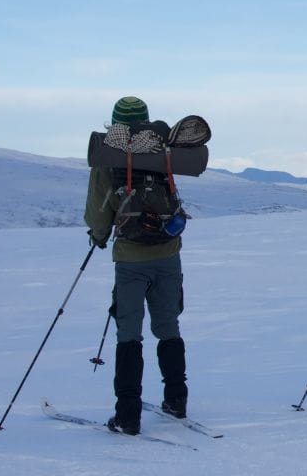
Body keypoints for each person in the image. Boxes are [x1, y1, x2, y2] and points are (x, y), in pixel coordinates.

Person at [84, 96, 188, 435]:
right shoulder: (161, 151)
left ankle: (127, 415)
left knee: (129, 333)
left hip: (130, 259)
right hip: (168, 251)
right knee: (168, 325)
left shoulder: (108, 157)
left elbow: (99, 209)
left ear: (114, 123)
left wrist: (99, 235)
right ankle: (176, 399)